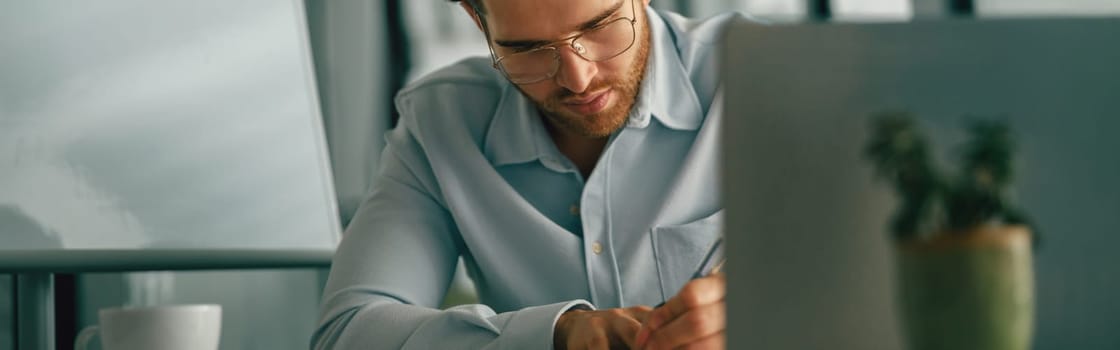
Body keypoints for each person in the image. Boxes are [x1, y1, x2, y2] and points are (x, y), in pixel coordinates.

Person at [313, 0, 743, 348]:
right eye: (528, 49)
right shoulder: (441, 125)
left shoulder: (759, 75)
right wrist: (553, 335)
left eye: (601, 25)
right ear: (475, 18)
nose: (579, 78)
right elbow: (349, 333)